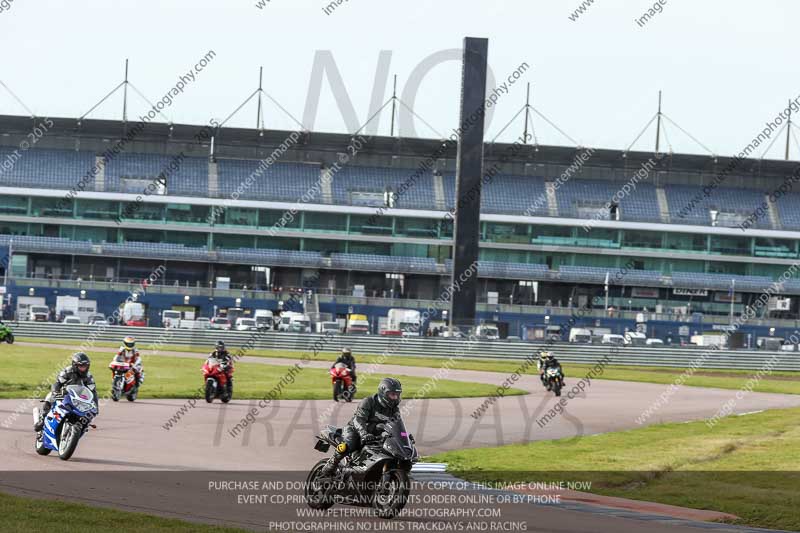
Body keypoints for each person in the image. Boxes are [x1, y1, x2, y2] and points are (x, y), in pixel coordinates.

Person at [319, 377, 403, 476]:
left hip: (374, 434)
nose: (395, 397)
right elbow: (359, 419)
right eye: (392, 394)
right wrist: (364, 433)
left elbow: (397, 425)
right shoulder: (369, 402)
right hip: (354, 429)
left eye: (397, 394)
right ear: (383, 392)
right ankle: (331, 464)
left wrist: (403, 438)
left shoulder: (394, 410)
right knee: (348, 445)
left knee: (387, 451)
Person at [34, 352, 98, 431]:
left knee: (88, 414)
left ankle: (81, 427)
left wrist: (96, 406)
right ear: (75, 365)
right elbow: (57, 384)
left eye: (85, 366)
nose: (83, 368)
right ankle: (42, 419)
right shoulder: (67, 371)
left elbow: (93, 392)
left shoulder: (88, 377)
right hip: (64, 394)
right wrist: (55, 392)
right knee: (50, 396)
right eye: (81, 366)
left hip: (79, 398)